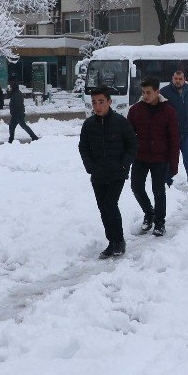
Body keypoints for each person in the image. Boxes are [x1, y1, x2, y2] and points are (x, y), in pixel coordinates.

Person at [79, 85, 137, 259]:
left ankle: (119, 240)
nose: (97, 106)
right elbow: (83, 147)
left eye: (101, 102)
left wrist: (124, 165)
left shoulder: (120, 122)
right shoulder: (89, 125)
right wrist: (90, 166)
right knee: (103, 209)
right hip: (98, 175)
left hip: (117, 173)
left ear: (110, 102)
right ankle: (111, 242)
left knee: (110, 205)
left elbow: (132, 145)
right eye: (94, 102)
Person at [128, 76, 179, 237]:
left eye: (148, 92)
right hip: (140, 157)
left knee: (158, 191)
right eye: (143, 92)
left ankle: (159, 223)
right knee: (136, 187)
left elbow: (174, 139)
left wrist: (173, 164)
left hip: (160, 158)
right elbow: (128, 136)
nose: (145, 95)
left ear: (157, 92)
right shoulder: (135, 110)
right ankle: (149, 214)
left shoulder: (168, 111)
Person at [161, 69, 188, 191]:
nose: (178, 81)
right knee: (171, 158)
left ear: (184, 79)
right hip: (171, 133)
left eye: (180, 79)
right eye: (176, 78)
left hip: (186, 131)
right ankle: (166, 182)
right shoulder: (164, 92)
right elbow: (158, 110)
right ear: (172, 78)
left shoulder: (187, 91)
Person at [7, 78, 39, 143]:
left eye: (11, 87)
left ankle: (34, 137)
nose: (10, 88)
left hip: (18, 114)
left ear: (13, 87)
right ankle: (11, 139)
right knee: (12, 126)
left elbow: (18, 104)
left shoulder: (17, 94)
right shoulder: (15, 93)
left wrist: (15, 111)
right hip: (15, 114)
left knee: (24, 126)